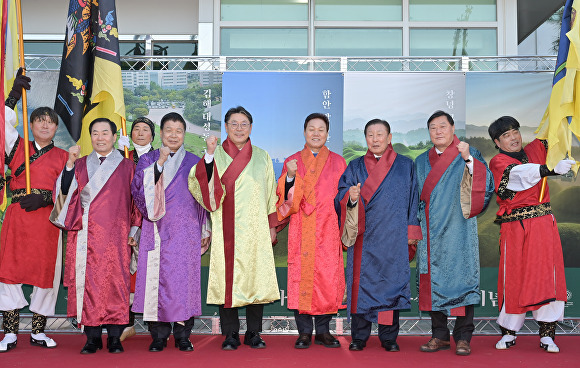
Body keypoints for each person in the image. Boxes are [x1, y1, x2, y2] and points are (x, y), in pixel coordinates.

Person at [189, 106, 279, 350]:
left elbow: (271, 193)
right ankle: (230, 333)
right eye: (234, 124)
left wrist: (271, 226)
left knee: (255, 278)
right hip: (225, 227)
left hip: (256, 228)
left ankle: (253, 333)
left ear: (251, 127)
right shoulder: (215, 154)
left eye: (244, 124)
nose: (239, 129)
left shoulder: (262, 156)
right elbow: (199, 183)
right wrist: (208, 157)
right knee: (226, 278)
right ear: (226, 127)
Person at [50, 118, 141, 354]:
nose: (100, 138)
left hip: (117, 237)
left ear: (113, 137)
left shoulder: (128, 166)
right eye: (95, 133)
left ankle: (114, 337)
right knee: (88, 285)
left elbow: (137, 204)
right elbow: (62, 199)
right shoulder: (79, 165)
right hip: (85, 235)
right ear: (90, 137)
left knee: (115, 285)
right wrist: (68, 167)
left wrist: (134, 230)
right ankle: (92, 338)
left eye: (105, 133)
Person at [335, 118, 422, 352]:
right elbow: (340, 195)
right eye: (370, 135)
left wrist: (411, 231)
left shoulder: (405, 165)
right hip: (364, 235)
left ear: (389, 137)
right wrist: (350, 197)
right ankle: (359, 336)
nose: (375, 139)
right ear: (365, 139)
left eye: (380, 134)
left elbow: (414, 199)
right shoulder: (354, 166)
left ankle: (388, 337)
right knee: (361, 285)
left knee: (390, 285)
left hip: (393, 235)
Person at [488, 116, 572, 353]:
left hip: (544, 223)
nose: (513, 137)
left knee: (547, 274)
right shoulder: (498, 161)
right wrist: (549, 169)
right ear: (497, 141)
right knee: (513, 276)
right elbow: (518, 175)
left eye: (515, 131)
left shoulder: (536, 148)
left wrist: (561, 103)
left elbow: (552, 129)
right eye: (506, 135)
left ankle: (547, 335)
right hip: (516, 227)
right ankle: (509, 332)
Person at [415, 110, 494, 356]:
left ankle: (463, 337)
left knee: (462, 279)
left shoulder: (468, 153)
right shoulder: (420, 161)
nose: (438, 131)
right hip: (429, 230)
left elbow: (486, 184)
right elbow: (412, 198)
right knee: (432, 280)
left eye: (442, 126)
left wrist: (469, 159)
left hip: (459, 229)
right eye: (433, 128)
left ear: (452, 128)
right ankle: (438, 335)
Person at [0, 70, 68, 353]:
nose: (45, 125)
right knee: (9, 273)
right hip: (16, 218)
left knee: (45, 277)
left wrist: (47, 198)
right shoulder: (17, 148)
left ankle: (39, 332)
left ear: (55, 128)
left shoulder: (65, 157)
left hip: (46, 222)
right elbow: (2, 123)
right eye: (40, 121)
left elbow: (72, 193)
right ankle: (9, 333)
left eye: (50, 122)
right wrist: (13, 96)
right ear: (31, 124)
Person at [131, 112, 210, 352]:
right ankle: (158, 335)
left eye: (178, 131)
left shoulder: (195, 162)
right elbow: (137, 191)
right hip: (155, 230)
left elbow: (204, 198)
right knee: (156, 280)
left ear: (184, 134)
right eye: (169, 130)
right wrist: (159, 164)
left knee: (183, 281)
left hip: (186, 231)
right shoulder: (148, 159)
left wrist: (204, 227)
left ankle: (183, 335)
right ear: (161, 133)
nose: (173, 135)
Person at [276, 113, 346, 349]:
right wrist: (291, 176)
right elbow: (284, 200)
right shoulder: (292, 160)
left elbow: (343, 197)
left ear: (327, 133)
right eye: (311, 129)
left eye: (321, 129)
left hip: (328, 226)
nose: (316, 133)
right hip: (302, 226)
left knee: (326, 276)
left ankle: (324, 331)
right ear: (304, 132)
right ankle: (304, 331)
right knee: (302, 275)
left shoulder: (338, 162)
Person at [117, 116, 156, 341]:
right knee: (126, 269)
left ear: (153, 134)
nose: (140, 133)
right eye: (136, 129)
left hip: (152, 221)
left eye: (145, 130)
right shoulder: (122, 157)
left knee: (152, 270)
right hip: (124, 220)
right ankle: (127, 322)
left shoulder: (160, 157)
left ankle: (155, 327)